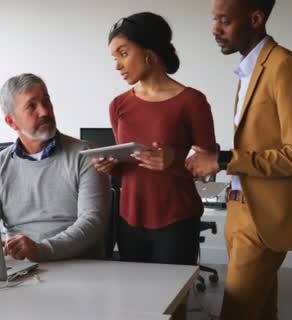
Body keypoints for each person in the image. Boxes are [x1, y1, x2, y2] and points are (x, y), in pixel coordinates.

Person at [185, 0, 292, 319]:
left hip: (264, 219)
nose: (215, 29)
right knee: (261, 312)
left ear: (256, 18)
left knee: (237, 311)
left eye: (224, 20)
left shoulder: (285, 67)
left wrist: (222, 160)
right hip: (239, 208)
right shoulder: (248, 69)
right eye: (213, 19)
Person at [93, 12, 217, 319]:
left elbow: (209, 164)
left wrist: (173, 159)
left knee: (173, 307)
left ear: (149, 52)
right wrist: (112, 167)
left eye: (123, 53)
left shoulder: (192, 101)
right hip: (129, 218)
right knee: (135, 304)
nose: (117, 65)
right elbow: (129, 165)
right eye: (114, 57)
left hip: (176, 219)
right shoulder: (118, 105)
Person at [0, 73, 110, 262]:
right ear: (11, 121)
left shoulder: (86, 155)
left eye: (46, 101)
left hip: (77, 266)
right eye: (32, 106)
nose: (45, 111)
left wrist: (40, 250)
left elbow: (93, 224)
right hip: (20, 267)